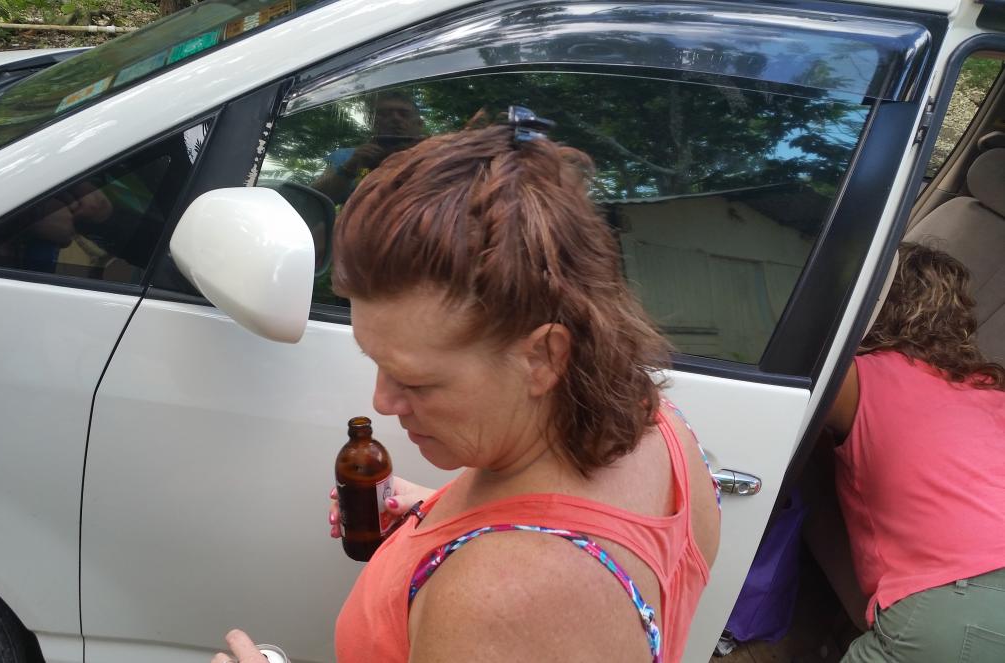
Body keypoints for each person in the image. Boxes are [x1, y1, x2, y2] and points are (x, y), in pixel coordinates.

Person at [213, 111, 721, 663]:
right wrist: (439, 516)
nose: (382, 402)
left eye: (416, 381)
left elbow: (529, 596)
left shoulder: (499, 603)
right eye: (375, 362)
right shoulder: (655, 420)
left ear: (543, 358)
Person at [821, 242, 1005, 663]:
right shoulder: (992, 392)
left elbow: (789, 385)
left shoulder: (865, 377)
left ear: (873, 305)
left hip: (956, 602)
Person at [309, 90, 426, 205]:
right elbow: (313, 201)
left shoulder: (431, 154)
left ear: (419, 124)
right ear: (374, 123)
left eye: (404, 114)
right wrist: (351, 167)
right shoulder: (347, 157)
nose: (396, 118)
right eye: (385, 114)